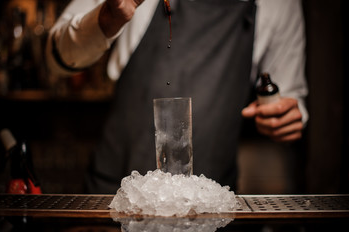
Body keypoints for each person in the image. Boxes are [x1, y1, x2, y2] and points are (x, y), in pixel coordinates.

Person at [46, 0, 308, 193]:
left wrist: (284, 117)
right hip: (116, 195)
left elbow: (288, 96)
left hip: (210, 204)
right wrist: (105, 19)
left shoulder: (280, 5)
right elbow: (56, 58)